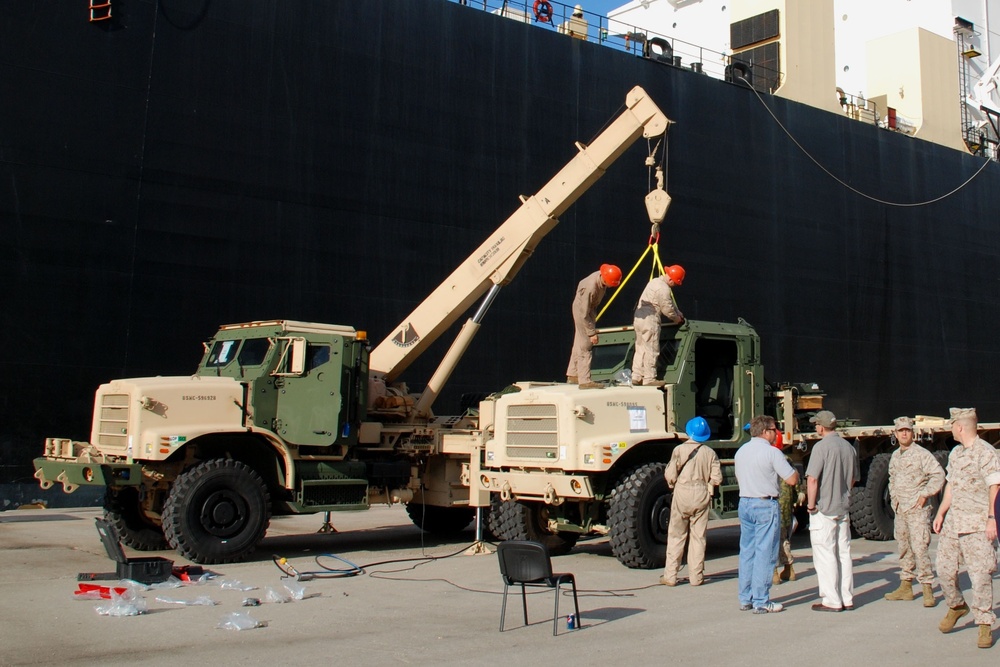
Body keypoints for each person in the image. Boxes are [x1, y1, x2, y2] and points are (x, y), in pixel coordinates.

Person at [932, 407, 1000, 649]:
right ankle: (957, 605)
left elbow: (995, 487)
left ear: (960, 427)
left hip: (977, 524)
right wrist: (941, 512)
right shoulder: (956, 454)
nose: (951, 429)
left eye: (952, 425)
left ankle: (984, 623)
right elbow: (951, 485)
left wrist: (992, 519)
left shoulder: (987, 453)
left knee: (980, 574)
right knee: (944, 569)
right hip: (954, 523)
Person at [734, 415, 799, 614]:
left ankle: (746, 598)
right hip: (765, 503)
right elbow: (791, 480)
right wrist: (796, 472)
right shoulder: (772, 453)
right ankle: (761, 600)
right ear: (765, 432)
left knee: (747, 551)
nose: (776, 432)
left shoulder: (741, 451)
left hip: (745, 502)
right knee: (766, 553)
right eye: (773, 429)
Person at [883, 416, 945, 606]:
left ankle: (927, 588)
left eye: (907, 430)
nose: (904, 433)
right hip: (901, 509)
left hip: (918, 510)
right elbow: (892, 478)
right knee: (904, 547)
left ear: (912, 433)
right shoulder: (895, 456)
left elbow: (939, 475)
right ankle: (906, 585)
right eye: (900, 430)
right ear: (895, 433)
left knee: (920, 548)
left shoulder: (922, 454)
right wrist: (894, 499)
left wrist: (925, 494)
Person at [805, 410, 860, 612]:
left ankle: (831, 599)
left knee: (825, 553)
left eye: (816, 425)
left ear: (821, 426)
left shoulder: (820, 448)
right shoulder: (849, 448)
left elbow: (812, 479)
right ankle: (847, 597)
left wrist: (811, 505)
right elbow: (854, 478)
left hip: (824, 508)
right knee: (844, 553)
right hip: (842, 507)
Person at [660, 416, 722, 587]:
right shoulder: (710, 453)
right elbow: (716, 478)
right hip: (701, 492)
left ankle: (670, 576)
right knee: (698, 537)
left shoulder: (679, 450)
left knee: (676, 535)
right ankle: (696, 577)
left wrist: (673, 484)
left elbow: (670, 474)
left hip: (682, 492)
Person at [566, 263, 621, 390]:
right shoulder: (591, 288)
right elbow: (584, 313)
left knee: (578, 341)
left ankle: (573, 374)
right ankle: (584, 380)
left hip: (588, 309)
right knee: (586, 345)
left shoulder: (602, 276)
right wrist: (591, 333)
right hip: (583, 311)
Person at [630, 264, 685, 388]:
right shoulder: (664, 289)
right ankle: (649, 378)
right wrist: (677, 319)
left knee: (640, 347)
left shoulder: (654, 282)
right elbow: (667, 308)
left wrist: (678, 312)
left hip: (639, 318)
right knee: (651, 348)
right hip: (650, 319)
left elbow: (668, 301)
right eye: (676, 283)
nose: (675, 285)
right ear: (671, 279)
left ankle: (636, 376)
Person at [771, 428, 805, 585]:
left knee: (771, 537)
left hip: (773, 501)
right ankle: (789, 568)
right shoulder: (787, 460)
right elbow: (796, 482)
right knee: (784, 536)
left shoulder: (769, 458)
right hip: (786, 503)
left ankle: (773, 572)